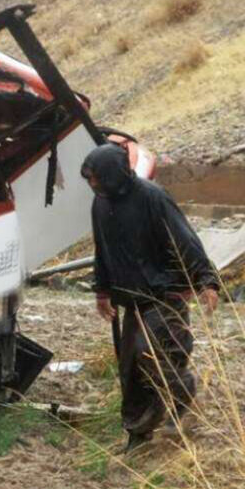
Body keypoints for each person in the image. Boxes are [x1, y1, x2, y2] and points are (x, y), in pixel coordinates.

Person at [81, 143, 220, 453]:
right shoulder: (100, 204)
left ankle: (184, 399)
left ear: (113, 173)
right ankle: (138, 434)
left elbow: (184, 238)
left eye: (96, 177)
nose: (92, 184)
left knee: (154, 353)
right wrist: (102, 291)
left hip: (165, 293)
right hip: (131, 298)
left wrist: (206, 280)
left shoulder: (152, 197)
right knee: (130, 368)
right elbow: (102, 249)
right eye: (89, 178)